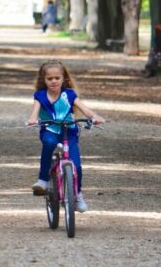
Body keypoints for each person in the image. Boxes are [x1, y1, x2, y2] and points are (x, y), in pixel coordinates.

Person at [25, 60, 105, 212]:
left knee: (77, 165)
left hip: (69, 131)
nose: (54, 81)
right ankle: (43, 179)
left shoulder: (69, 94)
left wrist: (95, 117)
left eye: (57, 78)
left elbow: (85, 110)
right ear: (44, 80)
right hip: (50, 129)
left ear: (64, 79)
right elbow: (34, 113)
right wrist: (32, 120)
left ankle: (78, 195)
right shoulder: (40, 96)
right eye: (50, 79)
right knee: (49, 143)